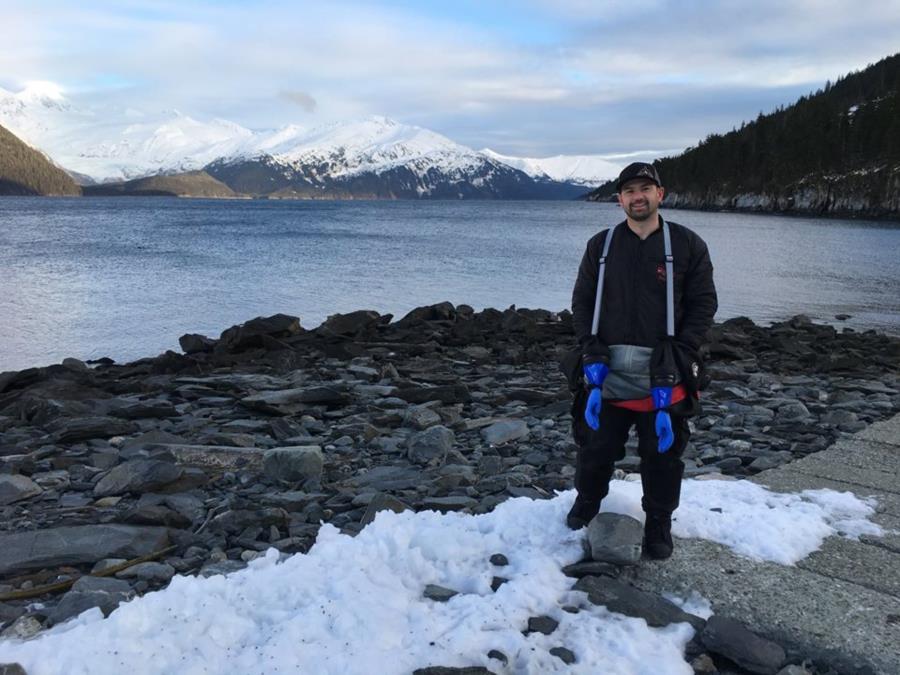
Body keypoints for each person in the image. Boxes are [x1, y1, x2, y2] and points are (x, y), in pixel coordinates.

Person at [567, 161, 717, 559]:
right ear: (619, 200)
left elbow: (703, 305)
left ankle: (659, 523)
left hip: (664, 373)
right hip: (607, 371)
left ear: (660, 195)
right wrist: (589, 347)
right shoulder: (601, 247)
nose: (638, 197)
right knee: (595, 446)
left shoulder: (688, 245)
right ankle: (587, 502)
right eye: (630, 190)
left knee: (663, 454)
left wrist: (682, 353)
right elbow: (582, 302)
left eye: (645, 189)